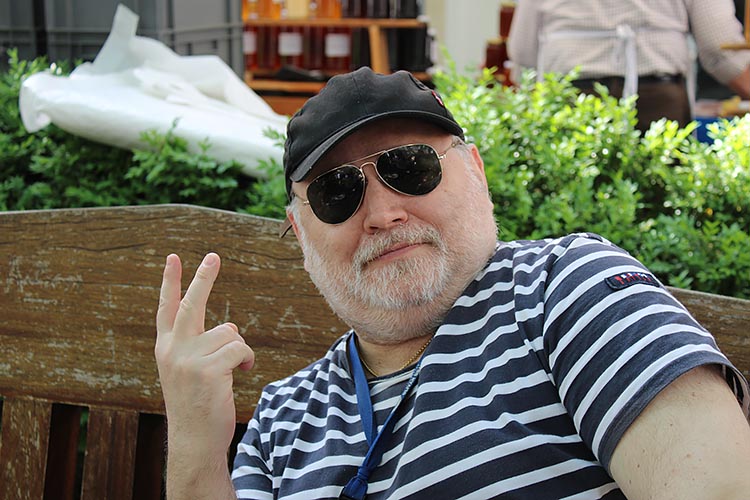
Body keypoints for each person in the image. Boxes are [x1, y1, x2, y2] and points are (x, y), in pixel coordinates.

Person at [155, 67, 750, 500]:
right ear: (300, 232)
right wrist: (194, 449)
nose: (383, 213)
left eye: (411, 167)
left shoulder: (566, 289)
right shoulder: (281, 419)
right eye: (337, 193)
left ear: (475, 171)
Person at [507, 0, 750, 131]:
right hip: (654, 99)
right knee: (660, 203)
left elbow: (523, 50)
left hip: (570, 96)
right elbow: (719, 48)